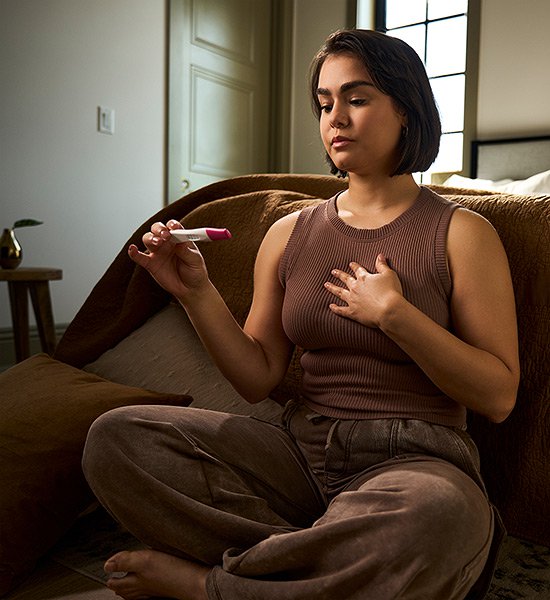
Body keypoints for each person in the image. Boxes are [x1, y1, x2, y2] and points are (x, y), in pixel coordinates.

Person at [82, 29, 519, 600]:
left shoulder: (464, 233)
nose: (335, 117)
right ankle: (329, 565)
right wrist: (195, 291)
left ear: (407, 111)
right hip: (297, 451)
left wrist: (395, 316)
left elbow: (498, 396)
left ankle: (209, 586)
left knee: (443, 517)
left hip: (415, 461)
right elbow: (256, 376)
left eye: (357, 99)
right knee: (117, 440)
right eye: (324, 102)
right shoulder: (288, 233)